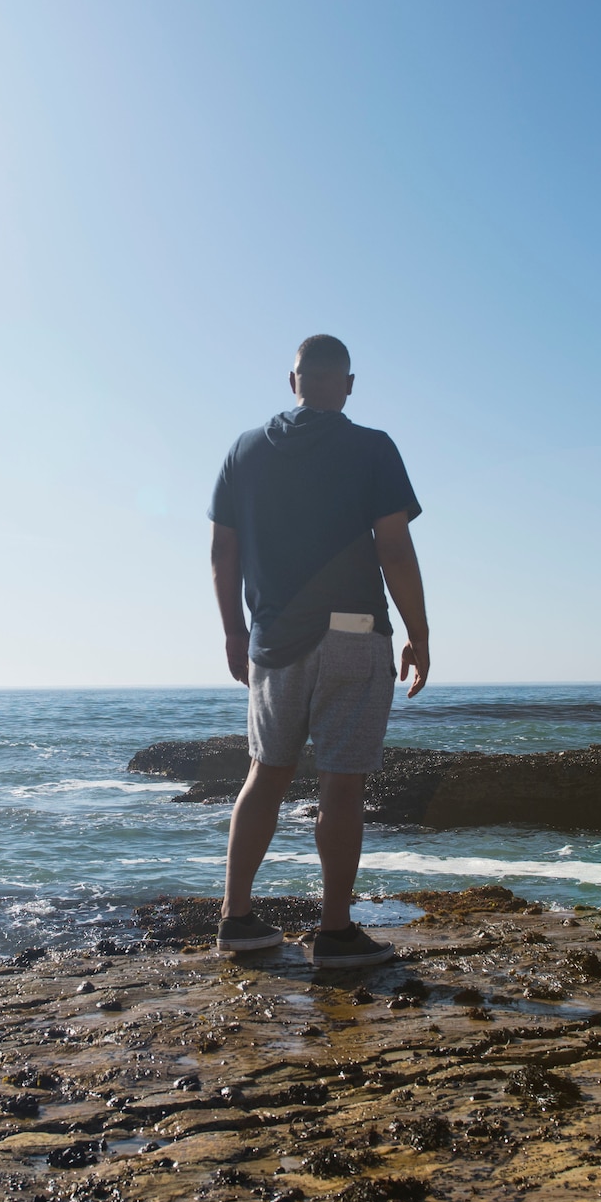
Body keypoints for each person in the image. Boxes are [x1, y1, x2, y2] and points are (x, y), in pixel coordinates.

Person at [206, 334, 429, 968]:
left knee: (265, 774)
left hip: (273, 638)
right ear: (348, 384)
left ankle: (238, 920)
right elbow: (393, 549)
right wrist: (419, 631)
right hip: (353, 633)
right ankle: (334, 933)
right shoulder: (371, 447)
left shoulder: (245, 451)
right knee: (341, 783)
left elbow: (223, 554)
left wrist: (232, 631)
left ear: (293, 380)